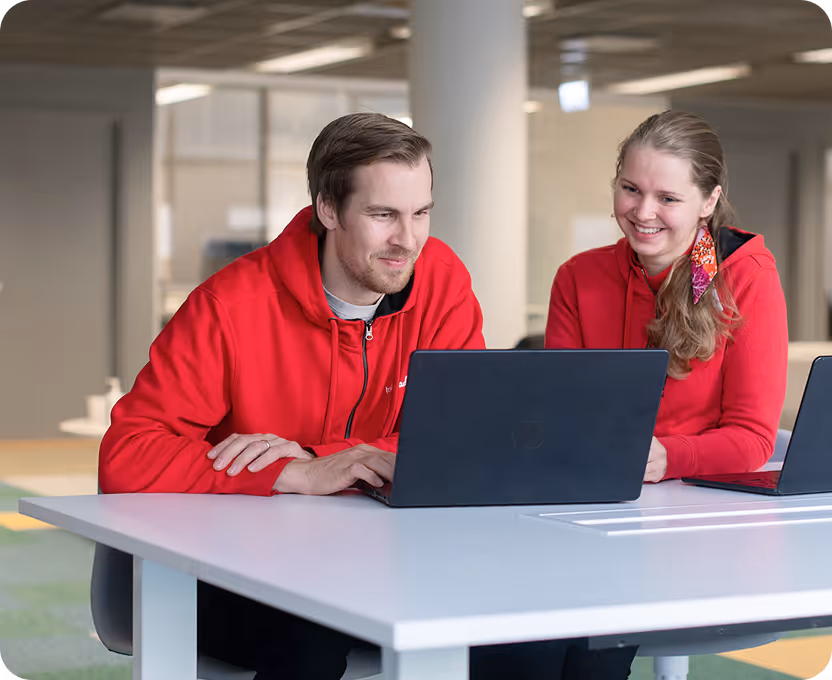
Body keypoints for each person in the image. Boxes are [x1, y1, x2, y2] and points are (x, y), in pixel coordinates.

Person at [99, 112, 629, 680]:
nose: (408, 239)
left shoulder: (441, 279)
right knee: (316, 626)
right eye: (383, 216)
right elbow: (127, 453)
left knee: (561, 623)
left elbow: (456, 434)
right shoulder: (230, 306)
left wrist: (332, 456)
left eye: (421, 213)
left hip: (385, 559)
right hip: (244, 573)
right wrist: (289, 473)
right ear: (329, 210)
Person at [546, 110, 788, 485]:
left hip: (700, 501)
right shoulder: (576, 278)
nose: (643, 212)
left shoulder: (747, 275)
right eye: (630, 189)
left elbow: (753, 438)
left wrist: (671, 457)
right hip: (593, 483)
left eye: (668, 198)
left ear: (709, 202)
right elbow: (558, 408)